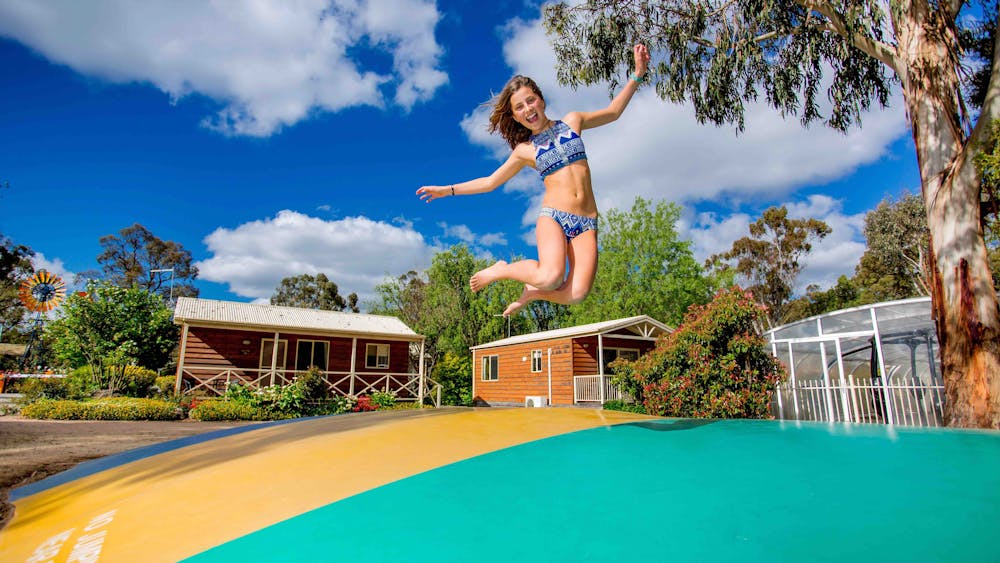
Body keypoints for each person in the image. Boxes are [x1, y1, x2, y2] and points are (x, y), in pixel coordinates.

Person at [417, 44, 650, 317]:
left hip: (587, 222)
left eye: (530, 100)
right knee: (551, 275)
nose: (527, 108)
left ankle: (532, 293)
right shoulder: (525, 151)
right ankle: (503, 270)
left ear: (541, 99)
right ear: (515, 115)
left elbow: (613, 112)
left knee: (576, 294)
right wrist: (448, 190)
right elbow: (491, 181)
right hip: (555, 216)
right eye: (519, 107)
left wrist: (637, 74)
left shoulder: (573, 122)